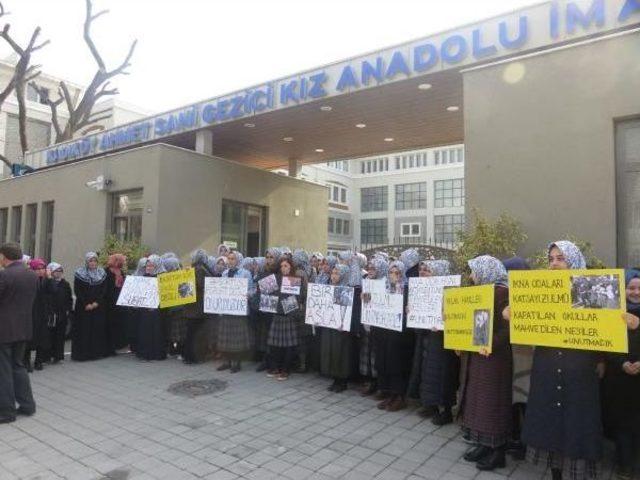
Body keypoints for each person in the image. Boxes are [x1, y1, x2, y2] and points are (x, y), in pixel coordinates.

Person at [519, 241, 634, 480]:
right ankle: (556, 475)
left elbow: (605, 333)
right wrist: (512, 315)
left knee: (576, 426)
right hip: (548, 369)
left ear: (573, 260)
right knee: (551, 427)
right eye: (551, 259)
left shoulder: (590, 290)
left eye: (560, 258)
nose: (554, 264)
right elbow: (528, 326)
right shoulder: (540, 291)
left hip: (579, 374)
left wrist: (629, 326)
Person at [459, 255, 512, 471]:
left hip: (495, 359)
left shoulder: (503, 293)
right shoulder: (480, 292)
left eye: (474, 270)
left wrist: (492, 343)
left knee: (493, 403)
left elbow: (508, 329)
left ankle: (498, 451)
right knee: (478, 401)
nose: (471, 276)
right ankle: (483, 444)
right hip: (478, 355)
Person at [408, 260, 460, 426]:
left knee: (443, 375)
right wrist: (412, 313)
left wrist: (445, 322)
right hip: (427, 339)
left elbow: (459, 319)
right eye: (422, 270)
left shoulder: (452, 293)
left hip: (444, 342)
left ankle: (446, 411)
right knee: (427, 373)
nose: (423, 273)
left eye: (428, 270)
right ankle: (431, 405)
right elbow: (417, 323)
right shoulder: (421, 291)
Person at [602, 269, 640, 480]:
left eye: (639, 288)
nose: (635, 292)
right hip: (619, 379)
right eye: (631, 288)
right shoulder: (614, 310)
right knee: (623, 423)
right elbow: (606, 342)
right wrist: (622, 363)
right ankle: (624, 465)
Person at [0, 243, 38, 423]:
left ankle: (6, 412)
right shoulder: (31, 275)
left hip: (4, 330)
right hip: (23, 328)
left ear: (3, 256)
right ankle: (27, 405)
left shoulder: (4, 275)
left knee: (4, 370)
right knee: (18, 365)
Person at [372, 260, 414, 412]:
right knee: (387, 362)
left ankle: (400, 397)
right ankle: (390, 394)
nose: (393, 275)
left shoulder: (408, 288)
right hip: (386, 332)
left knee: (398, 365)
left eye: (396, 273)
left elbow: (414, 309)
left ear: (402, 273)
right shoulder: (384, 287)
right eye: (391, 272)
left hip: (401, 335)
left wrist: (410, 310)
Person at [502, 256, 533, 460]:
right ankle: (514, 437)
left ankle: (525, 441)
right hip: (508, 356)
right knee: (510, 399)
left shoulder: (535, 293)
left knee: (524, 399)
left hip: (526, 357)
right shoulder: (503, 295)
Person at [320, 263, 357, 392]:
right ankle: (335, 378)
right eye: (333, 273)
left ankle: (342, 381)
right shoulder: (328, 288)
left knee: (341, 353)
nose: (333, 276)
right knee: (331, 352)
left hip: (341, 329)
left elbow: (348, 311)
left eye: (337, 273)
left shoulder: (347, 290)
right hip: (330, 326)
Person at [267, 256, 304, 381]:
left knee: (289, 346)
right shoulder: (275, 279)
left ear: (291, 267)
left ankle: (286, 370)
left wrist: (285, 303)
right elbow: (263, 293)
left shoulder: (295, 280)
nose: (283, 268)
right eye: (282, 266)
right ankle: (275, 367)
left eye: (286, 266)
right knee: (275, 345)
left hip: (289, 317)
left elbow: (299, 298)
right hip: (277, 316)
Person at [217, 251, 254, 372]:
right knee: (226, 337)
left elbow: (252, 290)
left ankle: (237, 363)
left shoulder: (245, 273)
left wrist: (246, 295)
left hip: (239, 311)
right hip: (227, 310)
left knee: (236, 338)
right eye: (229, 259)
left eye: (232, 259)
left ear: (238, 260)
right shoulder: (224, 273)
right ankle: (227, 361)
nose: (230, 261)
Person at [71, 252, 108, 361]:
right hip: (83, 308)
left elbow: (103, 290)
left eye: (95, 261)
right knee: (83, 330)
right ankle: (82, 355)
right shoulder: (79, 273)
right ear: (87, 262)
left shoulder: (102, 273)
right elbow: (78, 290)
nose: (93, 263)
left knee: (96, 330)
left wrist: (97, 303)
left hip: (98, 307)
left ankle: (95, 354)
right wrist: (86, 304)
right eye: (90, 261)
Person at [359, 256, 387, 396]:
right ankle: (369, 380)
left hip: (379, 326)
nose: (370, 270)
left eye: (373, 268)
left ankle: (378, 383)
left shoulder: (385, 283)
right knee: (367, 353)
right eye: (369, 268)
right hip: (368, 324)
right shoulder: (367, 282)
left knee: (377, 355)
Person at [182, 249, 212, 364]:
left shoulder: (193, 269)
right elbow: (202, 284)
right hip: (197, 307)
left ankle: (188, 356)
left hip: (192, 307)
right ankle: (193, 357)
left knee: (191, 333)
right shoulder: (200, 269)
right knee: (195, 334)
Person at [136, 255, 167, 361]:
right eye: (147, 266)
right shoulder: (144, 277)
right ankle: (145, 353)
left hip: (158, 311)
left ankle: (156, 354)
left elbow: (167, 293)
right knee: (145, 332)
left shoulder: (163, 277)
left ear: (157, 266)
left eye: (151, 266)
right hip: (145, 310)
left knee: (157, 332)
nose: (148, 268)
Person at [255, 247, 280, 372]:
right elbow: (258, 288)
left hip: (276, 309)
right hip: (265, 308)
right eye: (267, 257)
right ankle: (266, 360)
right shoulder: (263, 271)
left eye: (271, 257)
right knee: (265, 335)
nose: (269, 260)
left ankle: (273, 362)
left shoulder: (280, 272)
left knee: (274, 336)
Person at [26, 258, 54, 371]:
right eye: (37, 269)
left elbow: (52, 291)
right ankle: (26, 362)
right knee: (29, 338)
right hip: (31, 312)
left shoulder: (46, 280)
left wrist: (50, 277)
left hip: (43, 312)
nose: (40, 271)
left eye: (42, 268)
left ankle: (39, 361)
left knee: (42, 338)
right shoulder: (29, 280)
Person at [46, 262, 73, 364]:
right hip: (51, 313)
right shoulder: (48, 282)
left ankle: (58, 356)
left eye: (60, 271)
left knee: (60, 336)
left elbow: (69, 298)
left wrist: (68, 310)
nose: (59, 273)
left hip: (62, 314)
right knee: (50, 335)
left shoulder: (65, 284)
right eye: (57, 271)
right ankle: (47, 356)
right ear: (51, 272)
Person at [162, 256, 188, 358]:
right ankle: (173, 350)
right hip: (171, 309)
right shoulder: (166, 276)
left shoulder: (182, 275)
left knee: (180, 332)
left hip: (179, 309)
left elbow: (186, 292)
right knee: (173, 331)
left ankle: (180, 351)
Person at [105, 253, 127, 355]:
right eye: (120, 261)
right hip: (109, 301)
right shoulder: (107, 272)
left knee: (118, 323)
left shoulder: (121, 272)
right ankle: (109, 346)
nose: (122, 263)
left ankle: (118, 344)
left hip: (120, 301)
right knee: (110, 324)